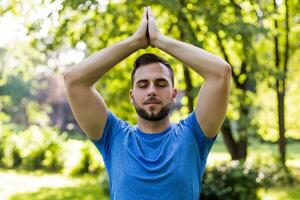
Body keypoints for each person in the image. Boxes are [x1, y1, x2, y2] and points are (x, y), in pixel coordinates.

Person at [63, 6, 231, 200]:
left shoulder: (193, 134)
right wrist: (136, 42)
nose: (151, 90)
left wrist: (159, 40)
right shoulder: (113, 136)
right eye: (143, 85)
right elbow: (74, 80)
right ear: (132, 95)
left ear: (173, 93)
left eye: (160, 84)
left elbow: (221, 73)